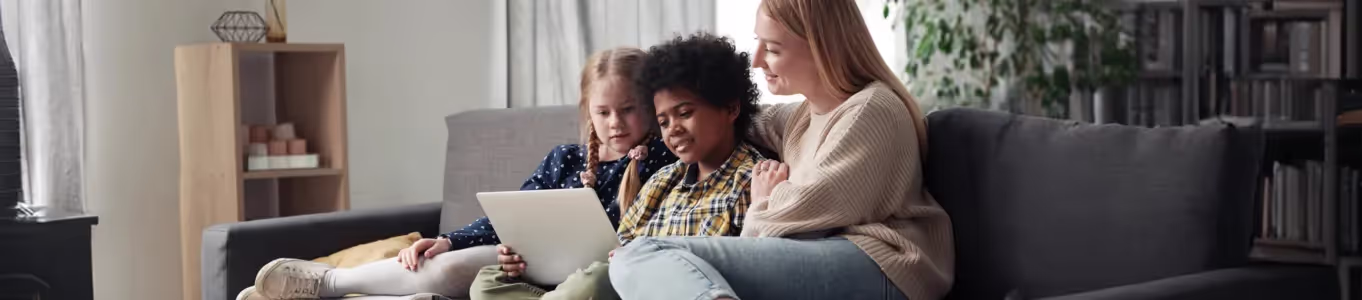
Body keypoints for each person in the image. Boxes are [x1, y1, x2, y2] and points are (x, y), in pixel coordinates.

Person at [237, 47, 679, 300]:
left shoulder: (662, 163)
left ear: (650, 109)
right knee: (448, 263)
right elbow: (507, 218)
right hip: (523, 265)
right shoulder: (565, 159)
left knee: (473, 276)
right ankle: (327, 284)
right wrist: (449, 238)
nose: (616, 123)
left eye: (628, 110)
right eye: (603, 112)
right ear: (588, 111)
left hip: (592, 279)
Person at [607, 1, 955, 300]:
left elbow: (805, 217)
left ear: (821, 46)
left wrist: (763, 203)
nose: (757, 60)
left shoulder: (871, 110)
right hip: (837, 255)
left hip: (885, 265)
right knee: (635, 259)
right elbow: (725, 114)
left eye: (772, 49)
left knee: (644, 254)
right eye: (759, 44)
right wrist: (657, 124)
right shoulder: (803, 116)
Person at [470, 32, 765, 300]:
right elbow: (621, 244)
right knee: (488, 281)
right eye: (663, 121)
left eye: (684, 113)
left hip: (660, 286)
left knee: (596, 281)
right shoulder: (665, 178)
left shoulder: (752, 178)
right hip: (621, 276)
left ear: (731, 108)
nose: (672, 129)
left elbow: (753, 264)